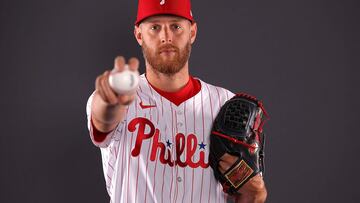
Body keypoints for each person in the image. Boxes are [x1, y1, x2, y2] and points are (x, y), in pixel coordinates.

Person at [86, 0, 267, 202]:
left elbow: (250, 194)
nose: (166, 36)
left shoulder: (225, 104)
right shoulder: (117, 96)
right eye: (155, 27)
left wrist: (255, 194)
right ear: (139, 34)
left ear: (192, 32)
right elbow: (103, 120)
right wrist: (109, 102)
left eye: (176, 26)